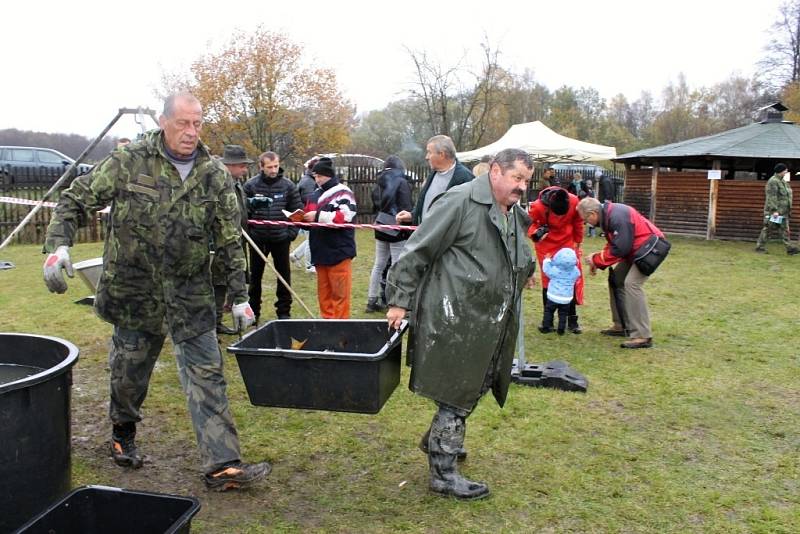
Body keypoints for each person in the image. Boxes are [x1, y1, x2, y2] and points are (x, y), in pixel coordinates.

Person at [41, 92, 269, 491]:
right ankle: (122, 430)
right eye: (183, 123)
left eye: (197, 123)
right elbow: (75, 200)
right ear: (163, 121)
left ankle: (223, 464)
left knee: (207, 375)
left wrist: (240, 295)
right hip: (135, 293)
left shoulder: (213, 174)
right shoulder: (128, 162)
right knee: (129, 374)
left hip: (191, 294)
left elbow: (230, 239)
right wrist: (59, 246)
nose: (191, 132)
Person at [386, 148, 536, 500]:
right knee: (457, 391)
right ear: (495, 171)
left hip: (490, 317)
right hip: (454, 314)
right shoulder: (460, 201)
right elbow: (417, 249)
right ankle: (443, 471)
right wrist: (398, 301)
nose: (522, 187)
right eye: (517, 178)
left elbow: (517, 247)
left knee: (481, 381)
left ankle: (439, 438)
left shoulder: (510, 210)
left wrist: (527, 267)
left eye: (527, 181)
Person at [577, 197, 665, 349]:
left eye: (585, 220)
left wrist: (597, 260)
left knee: (632, 284)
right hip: (636, 250)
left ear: (592, 214)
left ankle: (642, 335)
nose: (587, 224)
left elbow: (621, 248)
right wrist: (598, 259)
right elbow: (614, 243)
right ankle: (621, 325)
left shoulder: (617, 216)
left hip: (651, 250)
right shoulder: (608, 215)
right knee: (616, 279)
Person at [243, 151, 303, 322]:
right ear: (261, 167)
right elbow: (243, 212)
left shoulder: (289, 186)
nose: (273, 170)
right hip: (258, 239)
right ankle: (254, 312)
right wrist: (250, 233)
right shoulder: (250, 185)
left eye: (276, 166)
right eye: (269, 167)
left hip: (281, 239)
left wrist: (290, 234)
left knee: (284, 276)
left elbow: (297, 212)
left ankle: (284, 312)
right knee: (255, 277)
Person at [303, 157, 357, 318]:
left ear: (329, 175)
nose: (317, 180)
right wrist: (300, 220)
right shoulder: (314, 195)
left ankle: (341, 329)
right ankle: (326, 326)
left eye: (320, 176)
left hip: (339, 252)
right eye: (315, 177)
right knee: (324, 296)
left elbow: (345, 216)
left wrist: (318, 215)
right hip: (320, 252)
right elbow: (309, 216)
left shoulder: (344, 192)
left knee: (340, 296)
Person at [528, 186, 585, 334]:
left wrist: (578, 242)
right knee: (548, 279)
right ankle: (548, 321)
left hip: (567, 243)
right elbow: (530, 224)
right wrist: (535, 233)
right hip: (546, 245)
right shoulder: (537, 206)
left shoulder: (574, 201)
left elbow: (578, 222)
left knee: (569, 279)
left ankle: (572, 320)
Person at [212, 145, 252, 335]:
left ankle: (217, 322)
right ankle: (209, 327)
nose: (245, 170)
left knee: (223, 283)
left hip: (236, 240)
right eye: (242, 166)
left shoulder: (236, 184)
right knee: (215, 284)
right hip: (218, 243)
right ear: (230, 165)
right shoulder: (218, 183)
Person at [366, 155, 412, 313]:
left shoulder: (378, 182)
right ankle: (393, 301)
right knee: (396, 266)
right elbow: (405, 206)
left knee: (379, 264)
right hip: (397, 227)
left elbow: (375, 205)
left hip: (380, 225)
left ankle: (371, 300)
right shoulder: (402, 182)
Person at [395, 135, 474, 226]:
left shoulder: (466, 178)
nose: (426, 157)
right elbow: (426, 205)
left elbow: (471, 216)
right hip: (425, 236)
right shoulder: (432, 175)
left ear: (441, 154)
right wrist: (412, 215)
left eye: (429, 152)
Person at [755, 163, 798, 254]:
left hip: (783, 212)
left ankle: (789, 248)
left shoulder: (783, 181)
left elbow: (787, 196)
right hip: (775, 212)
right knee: (768, 229)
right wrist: (774, 210)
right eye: (785, 170)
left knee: (785, 230)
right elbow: (771, 196)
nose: (786, 172)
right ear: (781, 171)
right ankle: (760, 247)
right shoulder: (773, 181)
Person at [540, 247, 581, 335]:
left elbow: (546, 269)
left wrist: (547, 260)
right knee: (563, 314)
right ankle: (561, 330)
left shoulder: (555, 270)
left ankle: (546, 327)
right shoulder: (575, 272)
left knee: (549, 311)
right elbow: (578, 273)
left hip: (553, 296)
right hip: (566, 298)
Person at [289, 156, 320, 273]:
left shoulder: (308, 179)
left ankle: (295, 255)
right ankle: (310, 266)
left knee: (311, 239)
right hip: (307, 215)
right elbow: (310, 200)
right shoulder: (309, 182)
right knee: (312, 240)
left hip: (306, 214)